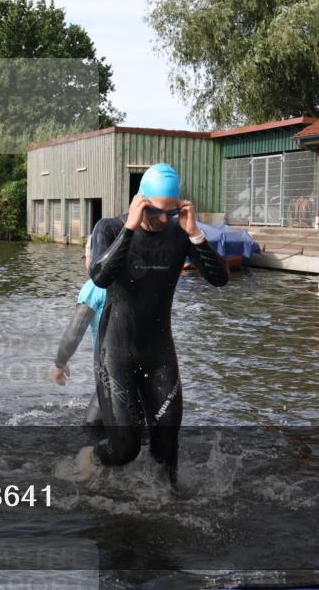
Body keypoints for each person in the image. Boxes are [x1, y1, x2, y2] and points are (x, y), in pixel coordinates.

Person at [78, 163, 229, 485]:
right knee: (126, 448)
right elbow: (100, 277)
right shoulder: (109, 228)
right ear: (140, 202)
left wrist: (195, 235)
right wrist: (130, 229)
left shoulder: (179, 232)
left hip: (159, 352)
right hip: (115, 351)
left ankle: (167, 504)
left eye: (171, 213)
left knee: (166, 445)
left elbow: (219, 280)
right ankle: (91, 456)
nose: (163, 220)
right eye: (156, 212)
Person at [52, 236, 107, 427]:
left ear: (93, 257)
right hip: (149, 371)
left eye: (85, 255)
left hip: (115, 374)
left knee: (91, 430)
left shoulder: (94, 287)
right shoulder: (136, 283)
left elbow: (74, 332)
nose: (85, 261)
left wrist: (60, 364)